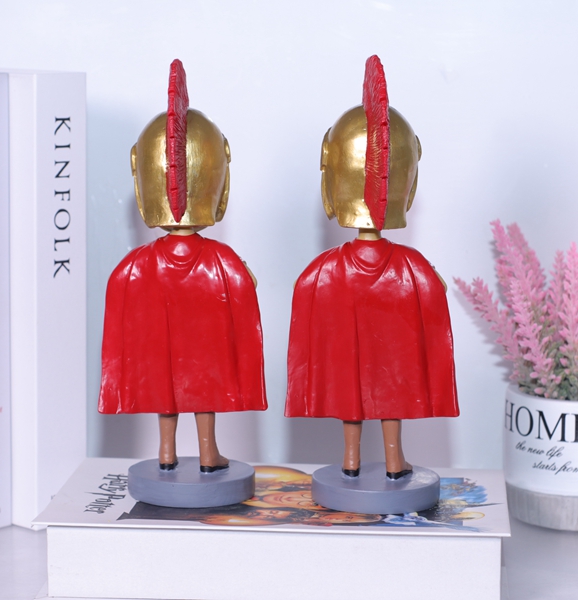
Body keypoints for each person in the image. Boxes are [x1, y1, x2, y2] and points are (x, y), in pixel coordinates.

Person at [285, 56, 459, 480]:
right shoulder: (413, 269)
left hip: (349, 332)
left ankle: (351, 460)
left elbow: (305, 300)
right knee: (391, 389)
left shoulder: (322, 271)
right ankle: (394, 461)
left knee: (351, 390)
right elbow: (435, 300)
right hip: (394, 344)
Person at [99, 60, 267, 472]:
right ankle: (208, 453)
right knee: (203, 386)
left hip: (164, 342)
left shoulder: (134, 266)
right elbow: (244, 292)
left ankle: (166, 452)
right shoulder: (222, 262)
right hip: (205, 344)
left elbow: (120, 301)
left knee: (165, 385)